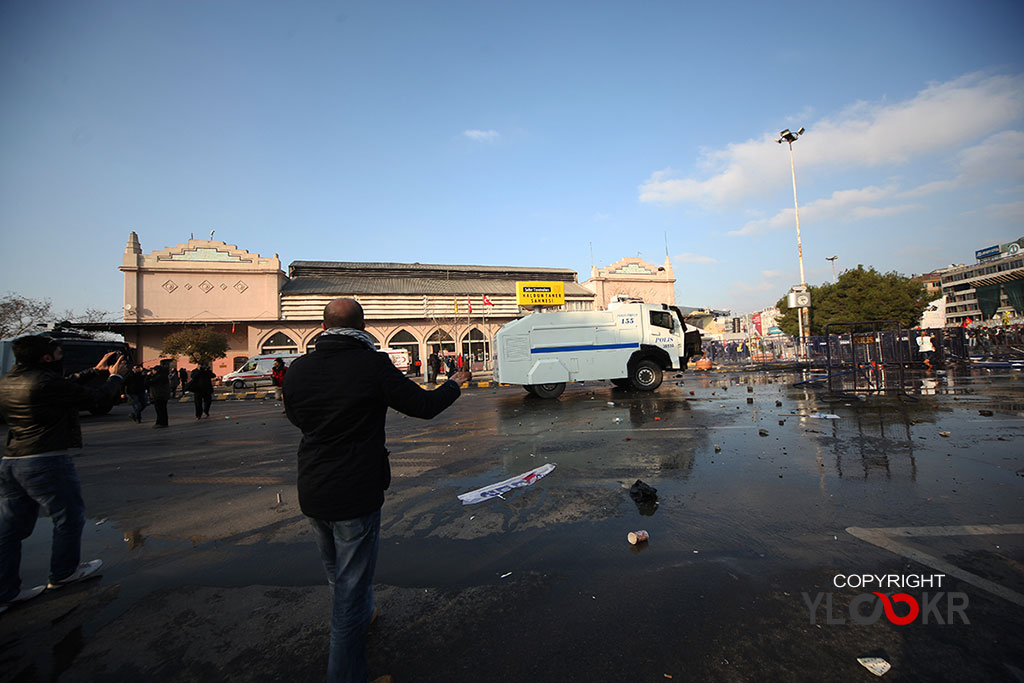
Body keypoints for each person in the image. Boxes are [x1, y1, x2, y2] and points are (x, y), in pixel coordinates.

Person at [285, 298, 471, 683]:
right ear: (363, 326)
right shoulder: (371, 364)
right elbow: (423, 405)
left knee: (339, 574)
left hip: (313, 490)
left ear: (322, 328)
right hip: (355, 490)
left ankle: (364, 612)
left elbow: (296, 417)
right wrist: (454, 384)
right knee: (347, 597)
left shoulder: (299, 370)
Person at [0, 336, 127, 613]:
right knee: (68, 517)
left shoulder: (8, 381)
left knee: (10, 530)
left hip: (12, 459)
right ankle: (64, 573)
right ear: (46, 358)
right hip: (45, 459)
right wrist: (115, 376)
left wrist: (96, 370)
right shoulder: (45, 383)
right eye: (58, 352)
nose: (61, 356)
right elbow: (99, 399)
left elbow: (66, 386)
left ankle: (5, 591)